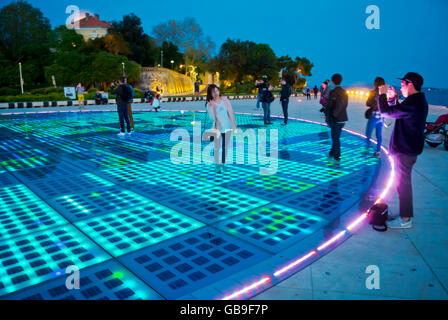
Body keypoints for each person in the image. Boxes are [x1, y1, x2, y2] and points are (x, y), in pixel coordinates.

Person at [377, 72, 428, 229]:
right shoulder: (416, 101)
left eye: (403, 84)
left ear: (410, 84)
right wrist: (392, 98)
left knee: (403, 185)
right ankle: (404, 216)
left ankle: (406, 219)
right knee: (401, 184)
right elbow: (398, 111)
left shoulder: (413, 103)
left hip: (405, 151)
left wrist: (382, 95)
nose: (401, 87)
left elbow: (386, 112)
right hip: (408, 149)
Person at [206, 84, 238, 173]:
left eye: (216, 90)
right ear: (210, 94)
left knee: (225, 147)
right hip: (218, 128)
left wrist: (235, 126)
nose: (216, 93)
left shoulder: (225, 100)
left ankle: (222, 163)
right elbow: (212, 117)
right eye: (213, 92)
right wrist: (211, 107)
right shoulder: (210, 104)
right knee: (217, 147)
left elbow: (231, 113)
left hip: (227, 126)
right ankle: (217, 165)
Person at [327, 74, 348, 163]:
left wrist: (331, 115)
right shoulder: (344, 92)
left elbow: (330, 105)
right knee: (336, 136)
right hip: (342, 118)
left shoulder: (333, 92)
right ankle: (332, 152)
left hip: (335, 118)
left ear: (333, 82)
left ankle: (337, 156)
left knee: (335, 138)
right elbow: (345, 104)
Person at [365, 77, 386, 157]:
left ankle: (367, 149)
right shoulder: (385, 93)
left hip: (374, 115)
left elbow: (367, 103)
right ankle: (378, 152)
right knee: (379, 135)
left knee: (368, 133)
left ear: (376, 83)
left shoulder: (373, 92)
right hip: (382, 117)